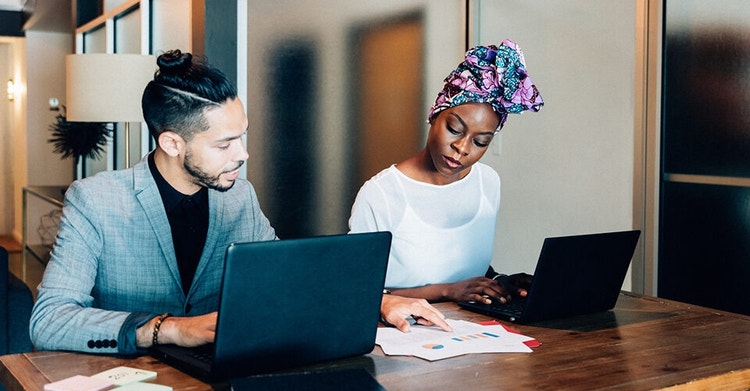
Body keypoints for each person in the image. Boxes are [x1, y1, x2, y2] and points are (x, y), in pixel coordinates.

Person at [30, 50, 449, 356]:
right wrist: (170, 329)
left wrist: (378, 300)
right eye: (225, 143)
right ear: (172, 143)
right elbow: (48, 319)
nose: (243, 154)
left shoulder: (239, 197)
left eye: (242, 135)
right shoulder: (95, 200)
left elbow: (286, 277)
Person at [349, 39, 543, 305]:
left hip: (475, 332)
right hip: (402, 334)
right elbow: (355, 291)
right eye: (454, 129)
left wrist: (500, 283)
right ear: (434, 115)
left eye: (480, 142)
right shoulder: (381, 194)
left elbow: (467, 270)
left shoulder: (487, 182)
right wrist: (447, 291)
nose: (462, 148)